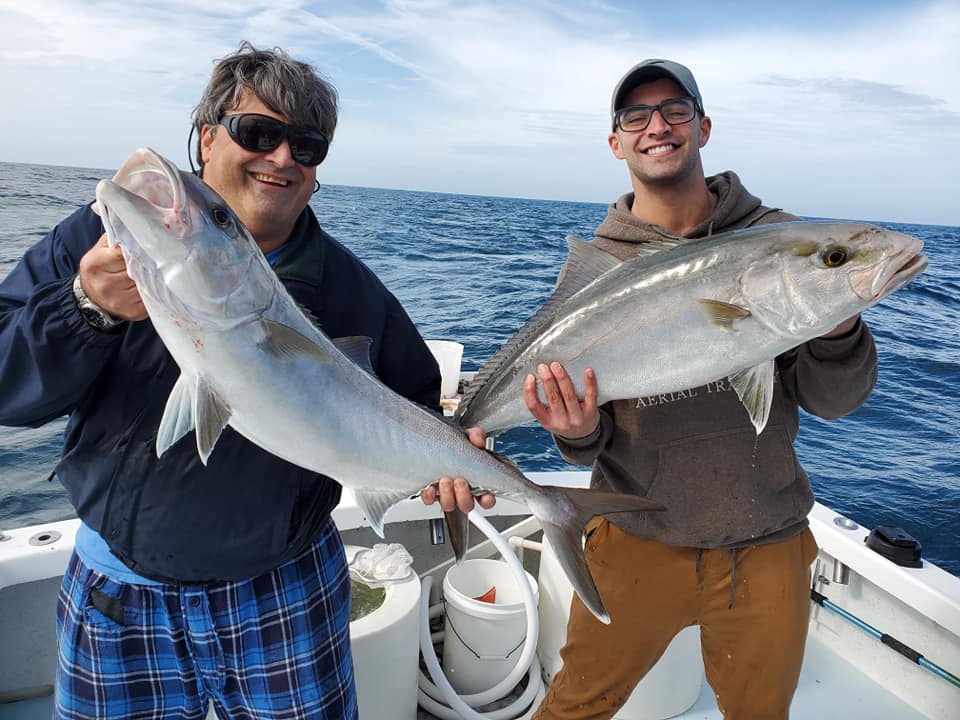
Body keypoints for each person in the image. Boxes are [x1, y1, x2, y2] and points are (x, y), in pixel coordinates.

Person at [0, 42, 442, 720]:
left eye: (306, 145)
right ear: (207, 138)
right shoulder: (102, 240)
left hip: (286, 591)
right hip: (118, 594)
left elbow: (416, 408)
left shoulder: (351, 290)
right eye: (258, 133)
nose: (282, 158)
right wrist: (84, 309)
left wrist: (444, 467)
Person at [429, 59, 878, 720]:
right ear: (617, 143)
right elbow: (590, 441)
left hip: (766, 541)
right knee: (575, 707)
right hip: (634, 537)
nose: (657, 126)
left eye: (674, 109)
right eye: (635, 116)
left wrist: (837, 322)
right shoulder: (602, 263)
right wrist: (578, 431)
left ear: (703, 126)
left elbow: (835, 402)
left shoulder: (778, 239)